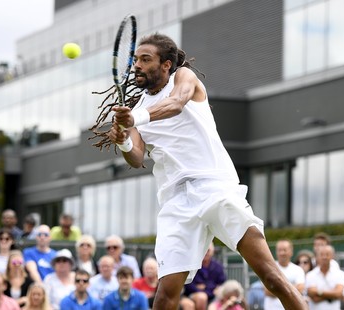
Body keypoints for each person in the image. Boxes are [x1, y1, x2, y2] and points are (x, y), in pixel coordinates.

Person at [102, 33, 307, 309]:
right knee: (164, 298)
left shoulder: (183, 77)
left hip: (215, 188)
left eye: (145, 59)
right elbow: (136, 158)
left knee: (272, 278)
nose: (137, 65)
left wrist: (135, 118)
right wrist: (124, 139)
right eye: (136, 59)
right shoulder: (138, 109)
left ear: (165, 65)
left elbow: (175, 104)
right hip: (176, 203)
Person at [263, 239, 304, 310]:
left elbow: (300, 290)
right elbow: (267, 291)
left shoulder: (298, 270)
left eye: (284, 250)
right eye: (279, 250)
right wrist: (291, 288)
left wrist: (276, 288)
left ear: (291, 252)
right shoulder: (269, 268)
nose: (282, 253)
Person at [183, 244, 226, 309]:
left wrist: (205, 287)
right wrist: (210, 289)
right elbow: (188, 285)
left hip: (212, 296)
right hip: (191, 294)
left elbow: (222, 284)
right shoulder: (192, 265)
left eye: (208, 250)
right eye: (204, 250)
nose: (206, 252)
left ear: (212, 251)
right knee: (202, 297)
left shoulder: (218, 267)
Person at [305, 245, 344, 310]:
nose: (324, 257)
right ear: (317, 257)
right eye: (321, 254)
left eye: (327, 254)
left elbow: (338, 293)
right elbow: (313, 297)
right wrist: (333, 295)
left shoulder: (340, 274)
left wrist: (319, 293)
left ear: (333, 256)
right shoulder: (310, 275)